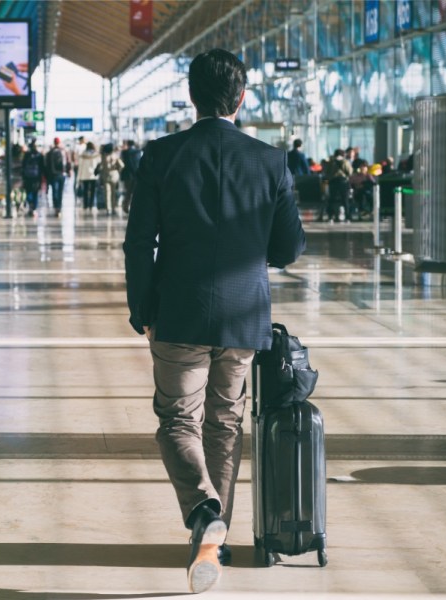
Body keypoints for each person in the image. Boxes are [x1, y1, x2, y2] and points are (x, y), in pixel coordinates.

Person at [123, 48, 306, 594]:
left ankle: (204, 512)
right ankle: (214, 542)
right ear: (242, 98)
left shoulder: (159, 155)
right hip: (244, 314)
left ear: (191, 96)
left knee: (178, 421)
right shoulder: (270, 161)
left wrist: (142, 311)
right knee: (224, 423)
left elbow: (138, 244)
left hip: (176, 313)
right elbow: (290, 247)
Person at [324, 148, 353, 222]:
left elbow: (326, 172)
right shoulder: (345, 161)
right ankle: (348, 217)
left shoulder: (331, 162)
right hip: (343, 182)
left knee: (332, 199)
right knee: (345, 200)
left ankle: (331, 217)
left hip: (333, 182)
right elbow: (349, 172)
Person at [45, 137, 69, 217]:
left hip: (53, 175)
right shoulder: (63, 151)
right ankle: (58, 208)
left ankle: (57, 208)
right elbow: (67, 162)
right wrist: (68, 171)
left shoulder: (50, 152)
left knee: (55, 191)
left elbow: (47, 165)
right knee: (59, 192)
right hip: (61, 174)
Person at [98, 142, 124, 215]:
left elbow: (101, 166)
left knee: (107, 193)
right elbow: (122, 165)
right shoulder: (115, 156)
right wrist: (117, 170)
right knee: (114, 193)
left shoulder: (103, 156)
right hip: (114, 175)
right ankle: (113, 209)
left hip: (105, 175)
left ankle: (108, 209)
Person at [20, 140, 45, 216]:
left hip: (28, 177)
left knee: (28, 192)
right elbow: (42, 167)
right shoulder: (39, 155)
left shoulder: (27, 154)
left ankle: (30, 204)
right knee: (35, 193)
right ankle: (34, 208)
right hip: (36, 177)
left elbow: (23, 166)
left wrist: (23, 175)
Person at [120, 140, 142, 214]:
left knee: (128, 192)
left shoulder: (124, 153)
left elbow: (127, 164)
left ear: (128, 144)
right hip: (137, 175)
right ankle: (135, 207)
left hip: (127, 175)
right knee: (136, 192)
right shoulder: (138, 152)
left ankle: (126, 207)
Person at [77, 141, 100, 212]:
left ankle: (85, 205)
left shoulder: (83, 155)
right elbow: (99, 165)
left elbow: (80, 166)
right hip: (93, 175)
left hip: (85, 175)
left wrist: (79, 177)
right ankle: (91, 205)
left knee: (85, 190)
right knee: (93, 190)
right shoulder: (96, 155)